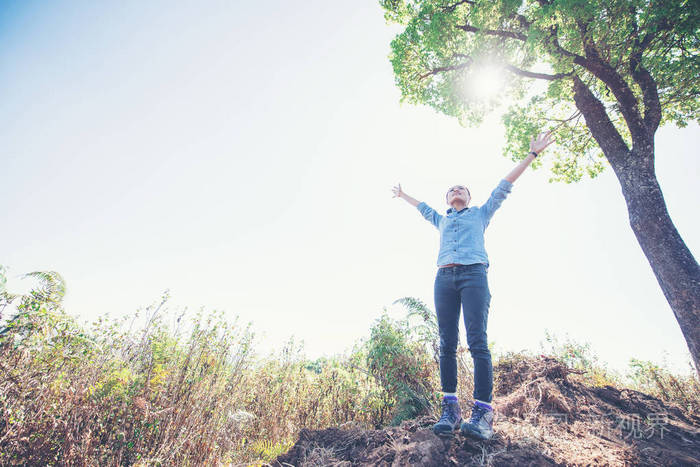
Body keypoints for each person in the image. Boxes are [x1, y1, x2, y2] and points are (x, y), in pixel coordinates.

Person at [391, 132, 554, 440]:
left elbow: (504, 186)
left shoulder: (481, 213)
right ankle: (450, 409)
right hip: (444, 279)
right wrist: (402, 195)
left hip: (474, 276)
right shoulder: (441, 219)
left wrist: (531, 155)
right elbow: (422, 207)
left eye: (462, 189)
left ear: (469, 197)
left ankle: (482, 413)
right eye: (452, 189)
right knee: (446, 343)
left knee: (477, 341)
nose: (456, 191)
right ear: (447, 199)